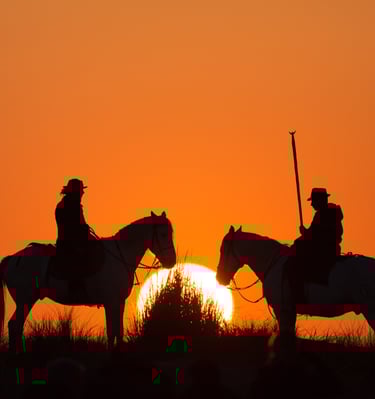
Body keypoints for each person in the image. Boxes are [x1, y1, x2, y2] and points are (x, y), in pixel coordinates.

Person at [285, 187, 344, 305]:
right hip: (329, 249)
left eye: (313, 201)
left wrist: (304, 233)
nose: (311, 204)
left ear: (320, 200)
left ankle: (300, 293)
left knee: (298, 260)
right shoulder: (331, 213)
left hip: (322, 251)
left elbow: (316, 236)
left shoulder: (323, 215)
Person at [55, 178, 98, 302]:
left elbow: (81, 227)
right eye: (81, 191)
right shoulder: (69, 205)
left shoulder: (69, 204)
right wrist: (86, 235)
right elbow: (75, 227)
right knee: (83, 257)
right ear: (75, 192)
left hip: (72, 241)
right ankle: (76, 289)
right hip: (69, 244)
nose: (83, 193)